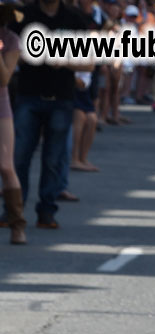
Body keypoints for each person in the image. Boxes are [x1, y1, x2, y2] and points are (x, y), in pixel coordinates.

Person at [9, 0, 90, 231]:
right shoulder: (24, 16)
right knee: (19, 156)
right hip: (29, 95)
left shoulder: (74, 20)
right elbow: (7, 50)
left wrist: (65, 61)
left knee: (53, 159)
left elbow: (90, 64)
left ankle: (46, 211)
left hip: (61, 98)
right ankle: (14, 210)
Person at [1, 0, 25, 244]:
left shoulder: (10, 40)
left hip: (1, 106)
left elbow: (5, 78)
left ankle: (17, 225)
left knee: (6, 167)